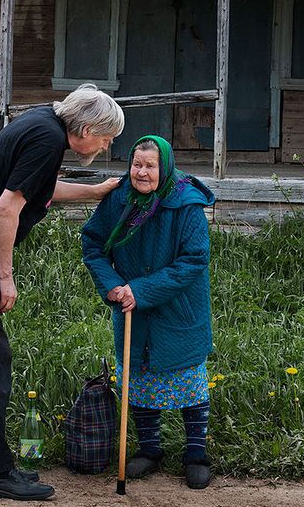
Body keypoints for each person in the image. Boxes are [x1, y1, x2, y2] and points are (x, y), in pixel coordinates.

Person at [0, 83, 125, 500]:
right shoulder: (46, 138)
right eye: (107, 137)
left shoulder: (45, 125)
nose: (107, 144)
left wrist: (95, 192)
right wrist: (6, 277)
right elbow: (6, 208)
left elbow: (42, 188)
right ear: (88, 127)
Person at [80, 135, 216, 489]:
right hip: (129, 306)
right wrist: (111, 284)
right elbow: (92, 243)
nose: (141, 172)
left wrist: (141, 290)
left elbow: (194, 260)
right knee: (138, 378)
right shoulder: (118, 200)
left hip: (178, 307)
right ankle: (150, 450)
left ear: (165, 167)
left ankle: (196, 454)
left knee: (188, 381)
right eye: (136, 165)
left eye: (150, 166)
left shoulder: (186, 205)